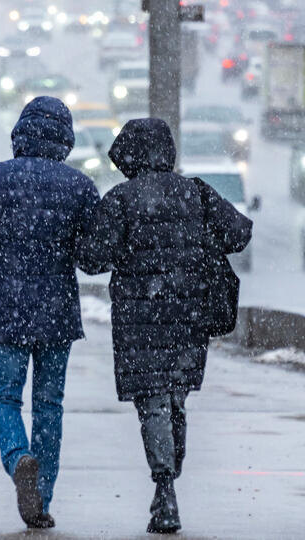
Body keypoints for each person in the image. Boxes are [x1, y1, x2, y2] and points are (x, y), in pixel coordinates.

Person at [77, 118, 252, 534]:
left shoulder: (122, 200)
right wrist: (195, 240)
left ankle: (164, 486)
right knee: (175, 399)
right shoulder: (197, 193)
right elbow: (239, 234)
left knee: (153, 402)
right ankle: (170, 477)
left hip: (141, 321)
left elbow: (92, 259)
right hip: (189, 318)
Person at [0, 96, 100, 529]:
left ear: (20, 133)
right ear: (66, 138)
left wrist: (3, 228)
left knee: (3, 398)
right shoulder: (79, 186)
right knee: (49, 405)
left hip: (7, 310)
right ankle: (42, 500)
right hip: (57, 312)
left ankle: (19, 459)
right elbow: (92, 258)